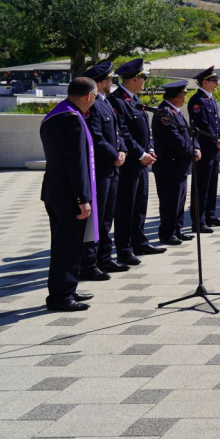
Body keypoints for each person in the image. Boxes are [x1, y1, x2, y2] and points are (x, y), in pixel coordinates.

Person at [40, 77, 99, 312]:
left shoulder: (57, 114)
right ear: (88, 96)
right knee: (67, 246)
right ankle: (61, 296)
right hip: (68, 195)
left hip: (55, 191)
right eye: (95, 96)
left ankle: (68, 288)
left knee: (67, 244)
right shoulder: (71, 120)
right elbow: (76, 164)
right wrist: (82, 198)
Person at [110, 58, 162, 265]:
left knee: (140, 204)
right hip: (130, 163)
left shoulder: (135, 100)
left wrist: (149, 148)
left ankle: (139, 241)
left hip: (141, 161)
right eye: (143, 77)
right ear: (133, 79)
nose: (145, 81)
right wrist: (141, 154)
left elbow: (143, 131)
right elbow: (123, 133)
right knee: (125, 208)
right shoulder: (118, 101)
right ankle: (124, 249)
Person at [81, 62, 126, 280]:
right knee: (96, 219)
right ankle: (90, 263)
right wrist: (114, 155)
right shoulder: (93, 106)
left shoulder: (104, 102)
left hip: (111, 169)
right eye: (110, 79)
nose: (112, 82)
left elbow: (117, 132)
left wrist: (122, 150)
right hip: (100, 169)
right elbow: (96, 138)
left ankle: (105, 258)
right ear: (102, 82)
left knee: (107, 216)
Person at [151, 80, 201, 246]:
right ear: (177, 95)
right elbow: (174, 139)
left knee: (179, 200)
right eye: (185, 93)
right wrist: (190, 152)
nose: (186, 96)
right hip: (169, 166)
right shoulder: (164, 113)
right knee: (170, 202)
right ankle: (167, 233)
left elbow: (188, 134)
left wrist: (196, 147)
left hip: (179, 165)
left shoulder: (175, 112)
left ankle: (177, 230)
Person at [188, 67, 220, 232]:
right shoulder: (198, 100)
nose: (217, 83)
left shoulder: (209, 99)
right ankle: (199, 220)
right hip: (204, 148)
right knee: (201, 186)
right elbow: (202, 124)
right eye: (214, 80)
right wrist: (216, 139)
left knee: (212, 185)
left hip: (213, 148)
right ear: (204, 82)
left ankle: (210, 215)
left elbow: (216, 123)